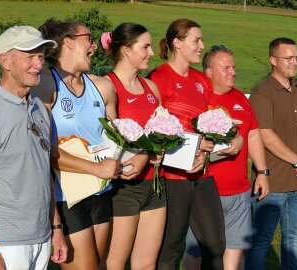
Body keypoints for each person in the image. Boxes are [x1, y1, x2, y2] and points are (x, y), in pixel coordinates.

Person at [33, 18, 140, 270]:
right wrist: (95, 169)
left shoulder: (102, 87)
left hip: (101, 192)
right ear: (68, 43)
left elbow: (118, 139)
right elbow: (43, 150)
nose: (94, 45)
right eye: (89, 39)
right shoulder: (46, 84)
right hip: (66, 196)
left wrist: (138, 157)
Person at [0, 25, 67, 269]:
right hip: (6, 243)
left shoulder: (39, 108)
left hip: (41, 238)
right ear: (5, 61)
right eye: (29, 57)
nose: (38, 64)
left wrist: (56, 227)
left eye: (40, 56)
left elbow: (44, 175)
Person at [148, 18, 243, 270]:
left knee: (215, 245)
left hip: (202, 172)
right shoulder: (158, 78)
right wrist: (194, 147)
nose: (202, 45)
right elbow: (155, 131)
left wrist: (231, 135)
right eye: (196, 40)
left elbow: (209, 122)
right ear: (177, 43)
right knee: (170, 249)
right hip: (173, 176)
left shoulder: (201, 80)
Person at [182, 45, 270, 270]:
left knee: (235, 250)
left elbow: (252, 133)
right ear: (209, 71)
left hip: (239, 192)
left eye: (234, 67)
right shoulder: (197, 98)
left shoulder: (240, 96)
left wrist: (261, 172)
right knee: (197, 253)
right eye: (226, 67)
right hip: (204, 190)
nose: (233, 72)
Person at [245, 37, 297, 270]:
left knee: (293, 240)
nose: (295, 62)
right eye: (289, 58)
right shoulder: (262, 92)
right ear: (273, 60)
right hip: (273, 182)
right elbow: (265, 135)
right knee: (261, 240)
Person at [101, 23, 166, 270]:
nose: (151, 52)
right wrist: (143, 153)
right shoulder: (107, 86)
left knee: (146, 264)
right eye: (145, 46)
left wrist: (155, 150)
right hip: (123, 186)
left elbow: (162, 134)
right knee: (115, 263)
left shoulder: (151, 88)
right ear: (126, 49)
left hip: (155, 184)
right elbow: (107, 141)